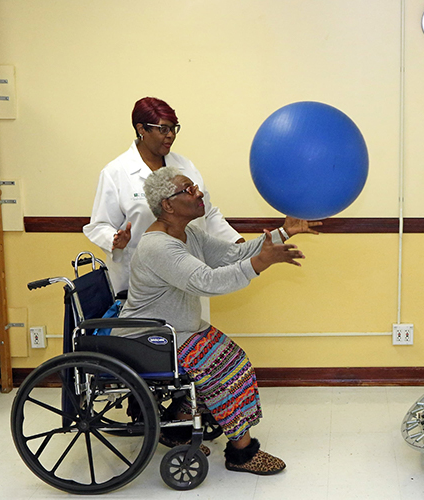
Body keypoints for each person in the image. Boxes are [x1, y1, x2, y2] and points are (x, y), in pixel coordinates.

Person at [119, 166, 311, 475]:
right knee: (221, 372)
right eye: (189, 190)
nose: (199, 193)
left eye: (195, 187)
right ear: (168, 205)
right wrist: (261, 263)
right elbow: (207, 281)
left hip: (179, 331)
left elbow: (230, 255)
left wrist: (283, 231)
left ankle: (178, 429)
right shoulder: (158, 246)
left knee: (237, 360)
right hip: (153, 339)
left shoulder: (187, 232)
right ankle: (242, 454)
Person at [84, 97, 244, 296]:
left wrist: (237, 244)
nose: (171, 135)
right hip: (142, 280)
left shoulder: (186, 167)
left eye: (174, 128)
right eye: (163, 129)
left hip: (188, 271)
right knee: (153, 327)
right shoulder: (116, 172)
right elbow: (99, 225)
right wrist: (115, 240)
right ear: (141, 129)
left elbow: (208, 214)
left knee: (190, 324)